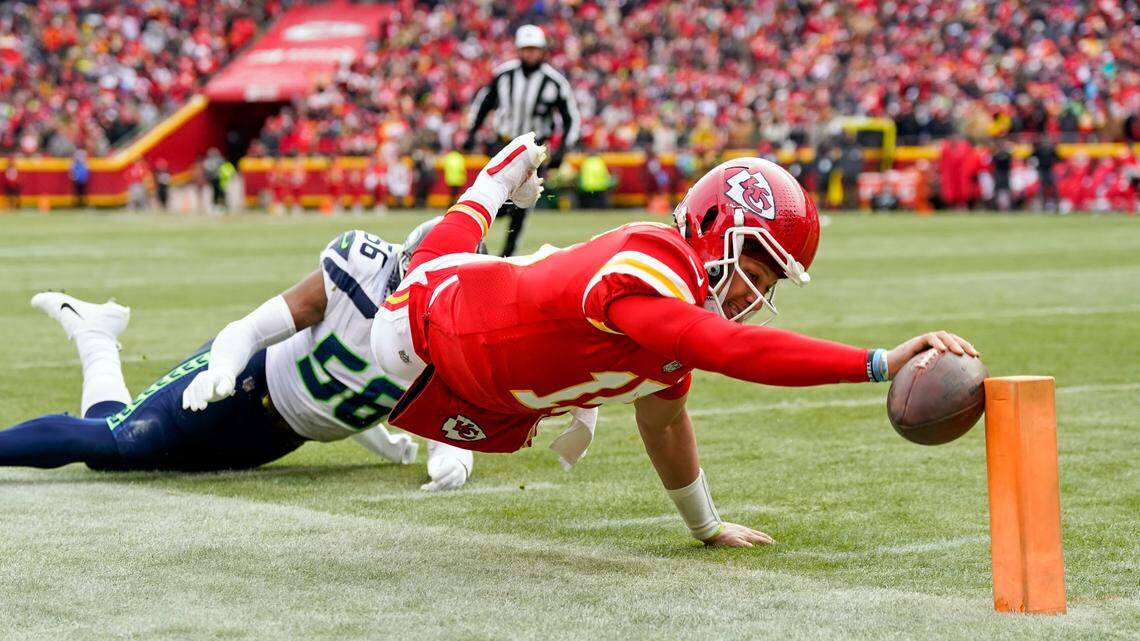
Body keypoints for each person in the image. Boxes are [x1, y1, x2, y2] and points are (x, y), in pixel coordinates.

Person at [370, 133, 979, 547]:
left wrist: (707, 527)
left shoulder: (669, 334)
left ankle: (492, 189)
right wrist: (875, 363)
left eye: (768, 285)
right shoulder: (654, 258)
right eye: (756, 272)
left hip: (486, 391)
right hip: (422, 324)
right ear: (718, 228)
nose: (753, 297)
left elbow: (664, 426)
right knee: (430, 266)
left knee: (455, 258)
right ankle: (492, 183)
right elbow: (731, 350)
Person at [0, 221, 476, 491]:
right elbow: (252, 328)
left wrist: (452, 460)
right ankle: (94, 339)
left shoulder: (456, 337)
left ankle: (95, 336)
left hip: (279, 439)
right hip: (247, 379)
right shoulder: (361, 270)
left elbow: (446, 425)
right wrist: (223, 368)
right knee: (117, 442)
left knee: (119, 454)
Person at [463, 24, 580, 256]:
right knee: (493, 195)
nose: (530, 54)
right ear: (518, 50)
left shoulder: (554, 81)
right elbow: (482, 104)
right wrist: (471, 131)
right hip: (503, 144)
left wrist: (563, 149)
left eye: (534, 49)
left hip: (534, 152)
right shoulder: (504, 75)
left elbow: (571, 118)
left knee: (523, 206)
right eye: (526, 49)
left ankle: (507, 255)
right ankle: (470, 243)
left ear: (543, 50)